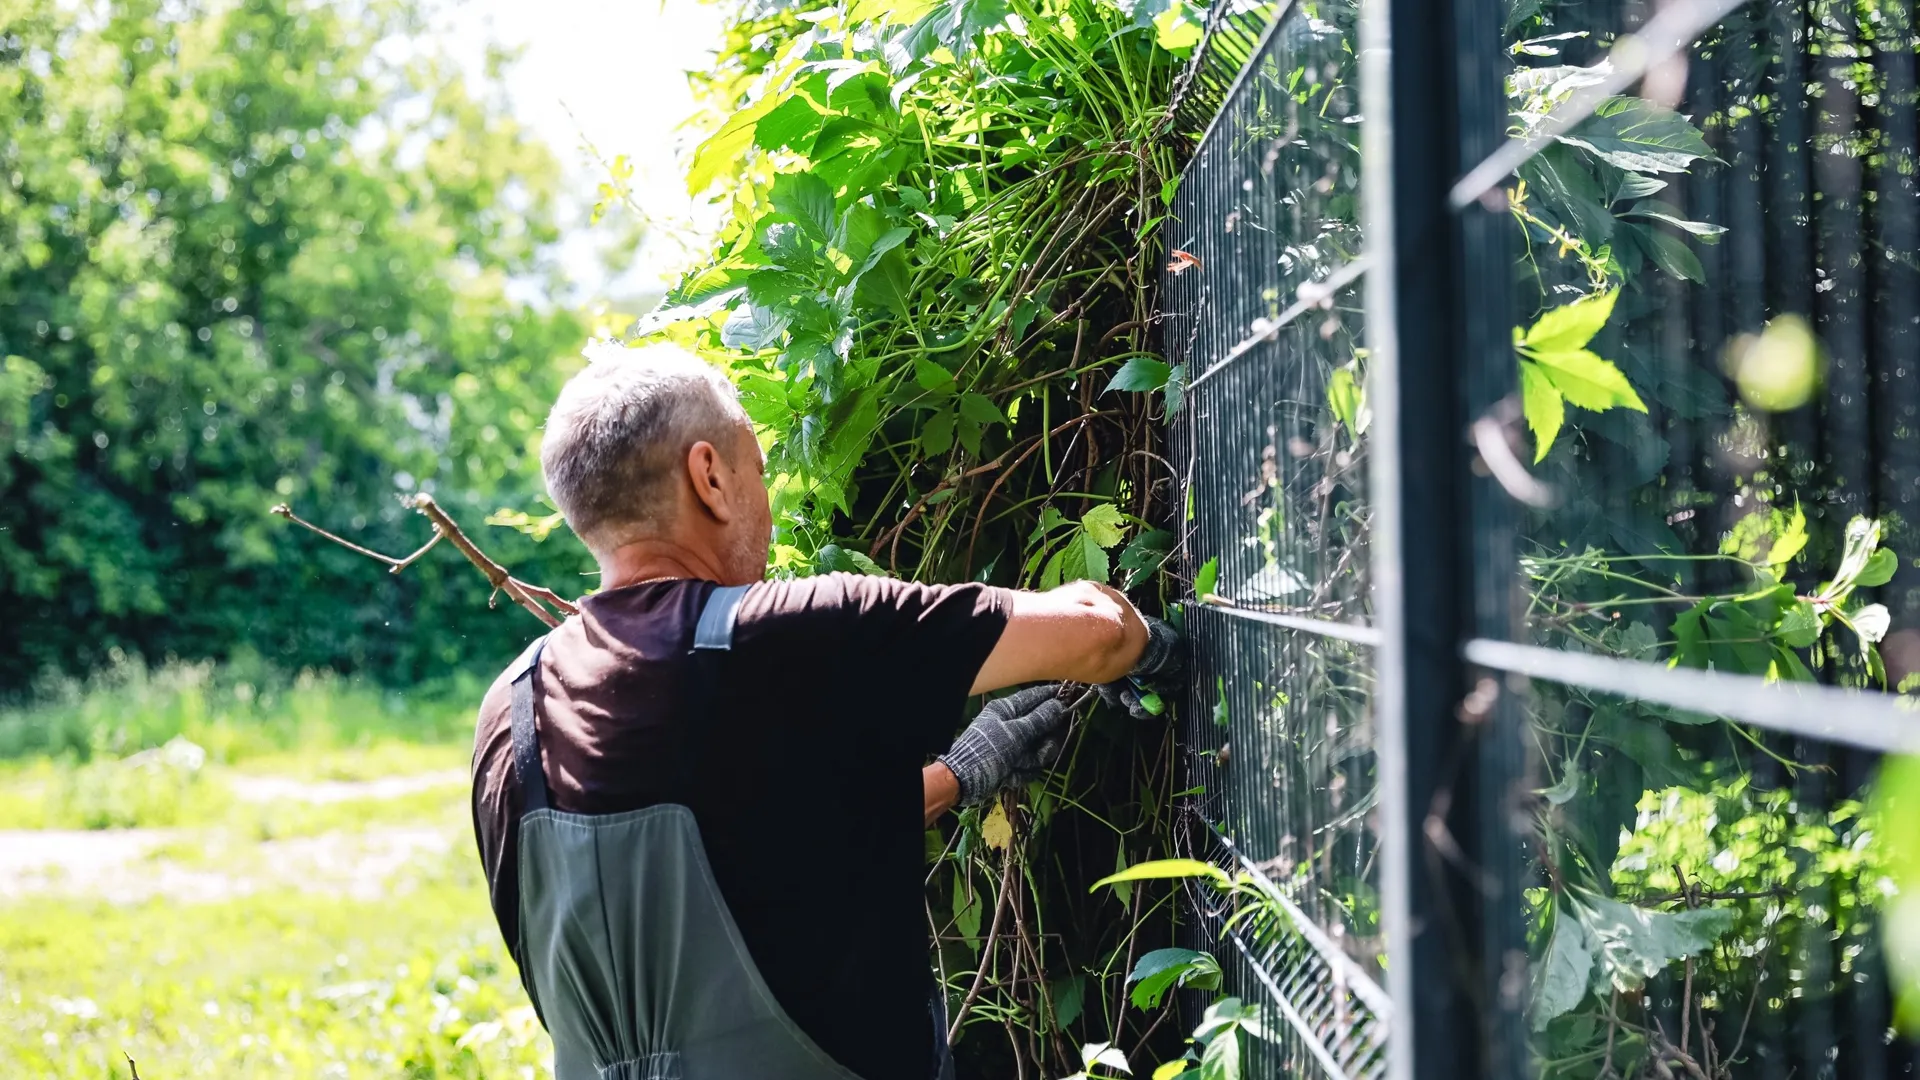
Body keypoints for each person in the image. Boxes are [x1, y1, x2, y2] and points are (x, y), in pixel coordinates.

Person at [469, 342, 1181, 1080]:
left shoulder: (510, 711)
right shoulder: (789, 630)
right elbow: (1099, 636)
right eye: (757, 471)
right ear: (710, 476)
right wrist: (1156, 650)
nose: (766, 505)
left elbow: (731, 869)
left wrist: (961, 774)